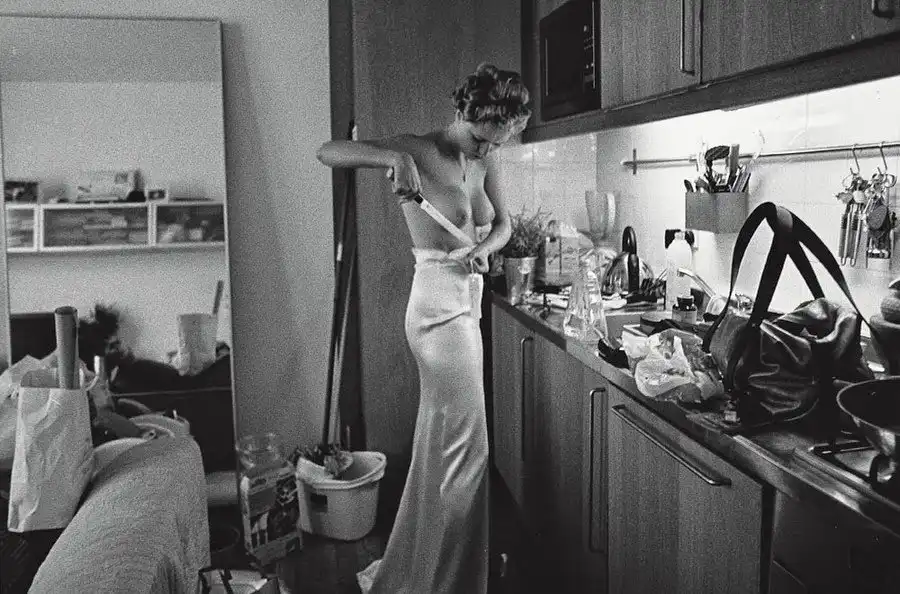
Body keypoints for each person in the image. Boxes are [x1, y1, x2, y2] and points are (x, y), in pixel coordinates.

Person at [316, 63, 531, 594]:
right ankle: (455, 583)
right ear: (461, 112)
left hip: (468, 304)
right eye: (480, 138)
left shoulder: (484, 160)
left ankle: (426, 572)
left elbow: (504, 223)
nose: (485, 150)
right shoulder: (416, 149)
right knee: (470, 453)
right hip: (436, 314)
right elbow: (328, 151)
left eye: (496, 142)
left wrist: (486, 247)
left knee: (439, 449)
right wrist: (391, 158)